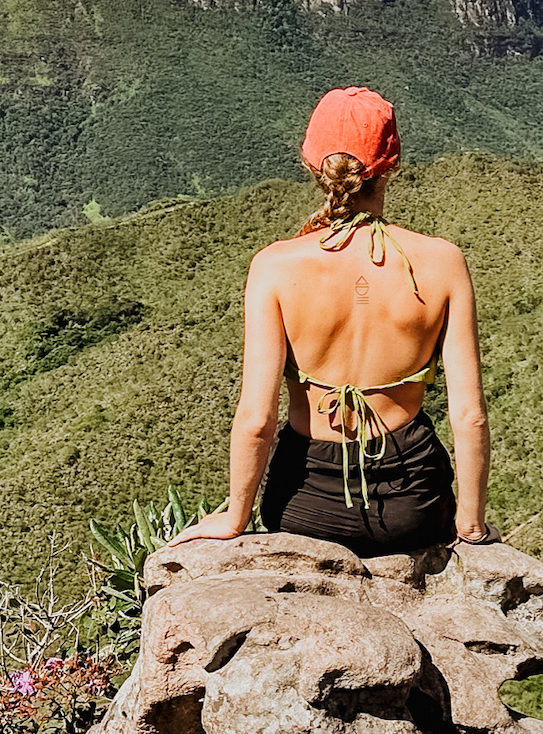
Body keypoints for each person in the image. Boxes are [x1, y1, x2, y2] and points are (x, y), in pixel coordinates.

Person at [168, 86, 498, 554]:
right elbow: (470, 415)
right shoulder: (443, 262)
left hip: (303, 505)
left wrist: (235, 517)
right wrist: (471, 524)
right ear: (391, 166)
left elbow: (256, 419)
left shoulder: (274, 266)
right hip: (414, 505)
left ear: (313, 166)